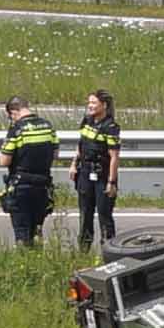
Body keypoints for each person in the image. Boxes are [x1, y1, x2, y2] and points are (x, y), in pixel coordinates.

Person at [0, 96, 58, 247]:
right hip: (43, 184)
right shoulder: (47, 126)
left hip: (22, 185)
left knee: (22, 232)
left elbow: (4, 161)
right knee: (37, 229)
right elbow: (55, 154)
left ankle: (25, 264)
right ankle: (38, 263)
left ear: (13, 112)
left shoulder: (17, 129)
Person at [68, 88, 121, 250]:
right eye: (89, 102)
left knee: (104, 216)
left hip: (102, 175)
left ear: (104, 105)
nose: (90, 106)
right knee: (85, 214)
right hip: (84, 173)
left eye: (93, 102)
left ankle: (109, 251)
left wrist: (111, 182)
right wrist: (73, 164)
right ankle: (83, 251)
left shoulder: (111, 127)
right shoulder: (87, 120)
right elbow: (81, 144)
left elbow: (114, 157)